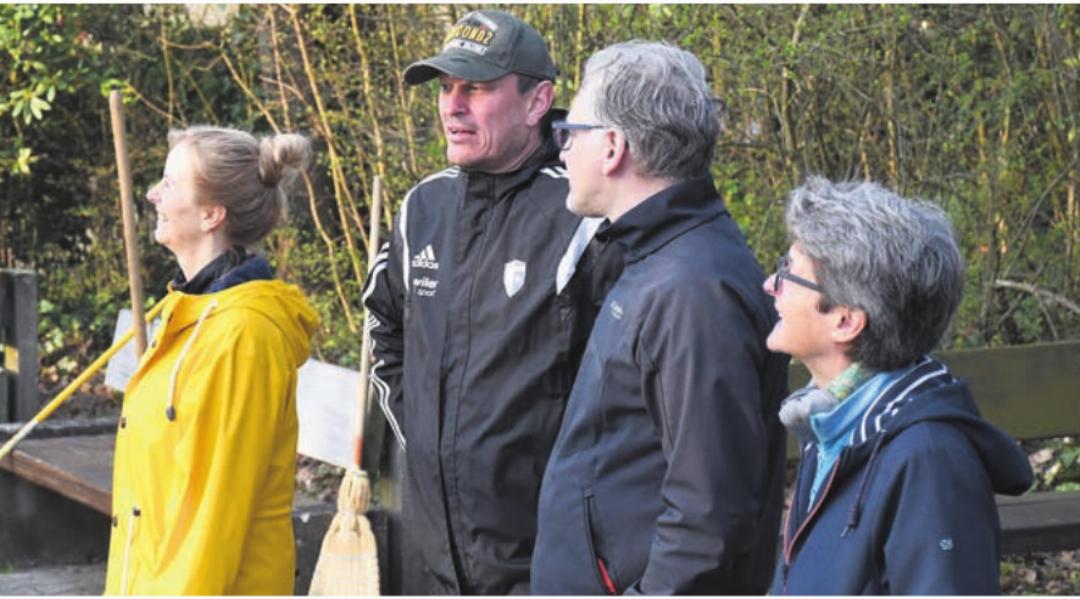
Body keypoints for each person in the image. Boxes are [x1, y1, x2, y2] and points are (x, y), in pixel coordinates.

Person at [361, 10, 618, 594]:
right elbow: (385, 327)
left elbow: (634, 385)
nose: (452, 106)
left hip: (551, 563)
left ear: (537, 102)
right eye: (447, 89)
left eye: (474, 89)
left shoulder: (585, 215)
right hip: (438, 556)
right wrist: (426, 433)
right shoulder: (422, 210)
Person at [531, 41, 789, 595]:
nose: (562, 151)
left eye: (569, 133)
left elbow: (709, 514)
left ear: (612, 147)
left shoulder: (693, 289)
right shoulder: (660, 257)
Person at [766, 177, 1034, 594]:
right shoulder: (832, 424)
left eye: (787, 271)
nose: (770, 285)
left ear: (846, 320)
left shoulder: (928, 461)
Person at [103, 126, 319, 595]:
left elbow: (213, 513)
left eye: (170, 183)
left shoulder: (243, 336)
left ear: (211, 214)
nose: (152, 194)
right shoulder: (193, 317)